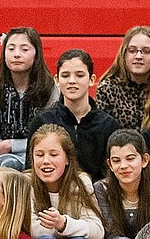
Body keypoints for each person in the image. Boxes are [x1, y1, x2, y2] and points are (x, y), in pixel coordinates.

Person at [25, 49, 119, 181]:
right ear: (57, 80)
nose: (72, 81)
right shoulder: (42, 121)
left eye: (79, 75)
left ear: (91, 79)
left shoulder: (109, 126)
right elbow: (31, 169)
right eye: (65, 75)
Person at [0, 27, 58, 169]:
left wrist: (11, 145)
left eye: (24, 50)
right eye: (11, 49)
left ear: (37, 54)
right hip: (2, 157)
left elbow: (52, 133)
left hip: (41, 153)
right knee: (8, 165)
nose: (16, 55)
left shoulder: (49, 88)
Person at [95, 25, 150, 131]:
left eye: (146, 51)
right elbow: (102, 133)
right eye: (132, 50)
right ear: (124, 53)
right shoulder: (108, 88)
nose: (138, 56)